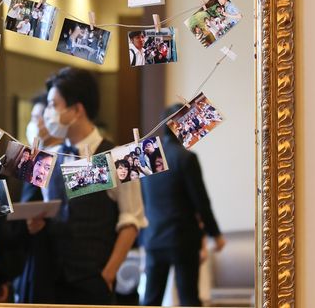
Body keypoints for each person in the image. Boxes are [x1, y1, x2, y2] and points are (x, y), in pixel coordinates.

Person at [17, 67, 147, 305]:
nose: (47, 114)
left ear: (77, 110)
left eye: (53, 105)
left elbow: (131, 222)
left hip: (93, 282)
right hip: (49, 282)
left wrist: (108, 275)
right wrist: (36, 225)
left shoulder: (119, 157)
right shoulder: (49, 157)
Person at [141, 105, 225, 307]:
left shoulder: (149, 157)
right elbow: (201, 201)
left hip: (154, 238)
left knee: (150, 301)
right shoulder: (186, 158)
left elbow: (144, 200)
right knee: (189, 300)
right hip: (183, 239)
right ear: (184, 125)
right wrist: (215, 234)